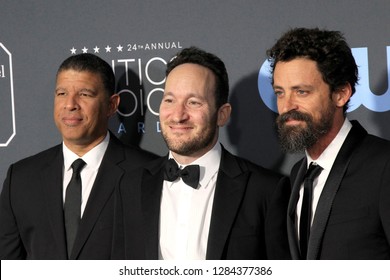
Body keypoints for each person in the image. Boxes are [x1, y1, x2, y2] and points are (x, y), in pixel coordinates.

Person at [112, 46, 291, 260]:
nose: (178, 115)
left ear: (222, 115)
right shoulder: (130, 185)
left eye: (193, 102)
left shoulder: (265, 191)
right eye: (169, 100)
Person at [0, 53, 157, 259]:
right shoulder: (21, 178)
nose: (70, 104)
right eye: (62, 93)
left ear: (111, 105)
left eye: (84, 94)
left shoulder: (148, 174)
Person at [267, 27, 390, 259]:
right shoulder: (297, 174)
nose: (286, 106)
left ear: (341, 94)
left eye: (301, 92)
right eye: (280, 93)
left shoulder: (384, 165)